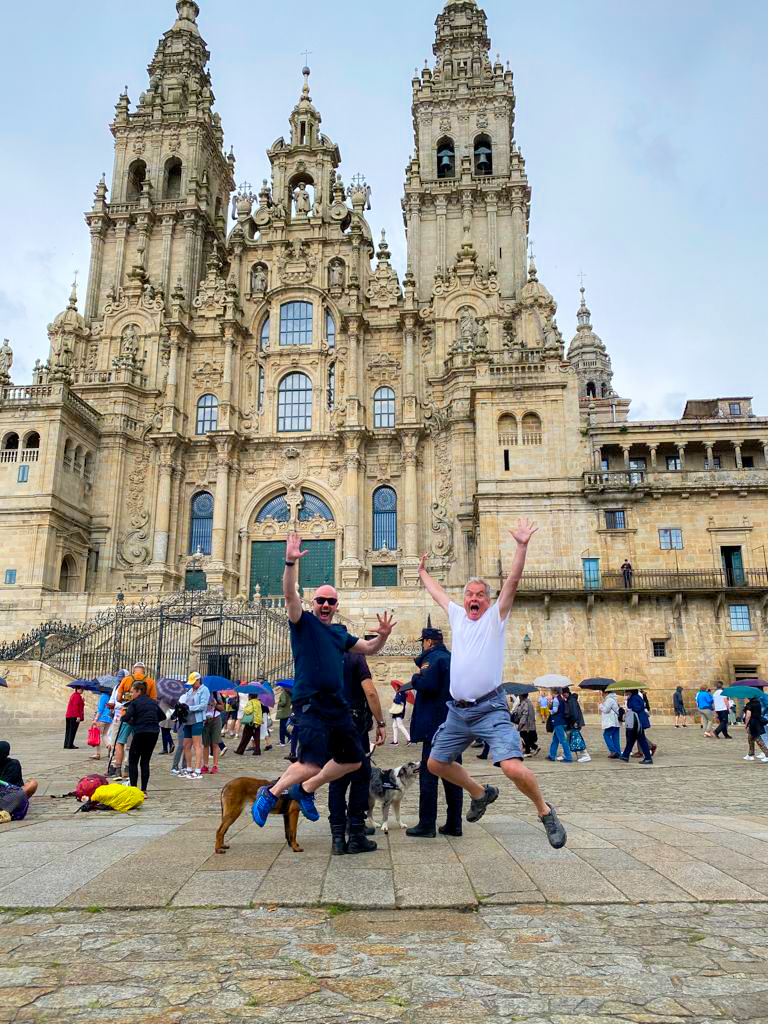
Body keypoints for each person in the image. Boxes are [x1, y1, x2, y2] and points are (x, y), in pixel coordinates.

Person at [418, 518, 567, 849]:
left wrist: (522, 546)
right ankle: (480, 794)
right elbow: (439, 594)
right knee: (434, 763)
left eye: (480, 595)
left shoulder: (495, 618)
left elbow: (512, 582)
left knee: (512, 768)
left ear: (488, 600)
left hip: (489, 707)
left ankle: (545, 812)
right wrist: (423, 572)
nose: (474, 599)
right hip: (457, 712)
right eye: (470, 594)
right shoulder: (457, 616)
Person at [252, 531, 396, 840]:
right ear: (313, 603)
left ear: (336, 604)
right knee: (310, 763)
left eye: (331, 601)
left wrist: (382, 636)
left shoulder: (340, 636)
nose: (326, 604)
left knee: (355, 759)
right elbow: (289, 595)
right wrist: (290, 561)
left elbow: (369, 649)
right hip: (312, 704)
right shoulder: (302, 623)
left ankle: (305, 790)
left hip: (337, 706)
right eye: (321, 600)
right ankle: (272, 792)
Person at [405, 627, 463, 839]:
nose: (423, 645)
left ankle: (427, 823)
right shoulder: (451, 658)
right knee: (454, 776)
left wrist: (415, 676)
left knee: (429, 776)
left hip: (434, 727)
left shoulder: (433, 660)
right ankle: (454, 823)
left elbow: (427, 684)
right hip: (453, 725)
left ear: (429, 642)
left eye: (423, 642)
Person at [328, 650, 386, 854]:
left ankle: (337, 838)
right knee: (361, 776)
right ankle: (356, 835)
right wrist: (380, 722)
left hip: (331, 724)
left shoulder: (324, 656)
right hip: (353, 724)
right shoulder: (355, 657)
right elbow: (370, 692)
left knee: (336, 779)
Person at [109, 663, 157, 778]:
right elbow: (154, 700)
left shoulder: (126, 680)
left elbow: (118, 698)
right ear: (144, 671)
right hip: (141, 716)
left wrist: (128, 697)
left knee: (120, 742)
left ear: (133, 670)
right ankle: (128, 768)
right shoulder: (150, 682)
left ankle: (117, 769)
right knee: (132, 744)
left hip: (126, 713)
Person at [121, 680, 165, 794]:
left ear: (139, 691)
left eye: (132, 692)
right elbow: (162, 716)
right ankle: (144, 790)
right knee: (145, 761)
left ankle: (134, 789)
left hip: (141, 732)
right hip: (153, 732)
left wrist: (123, 716)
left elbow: (126, 718)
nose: (131, 694)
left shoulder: (134, 703)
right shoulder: (152, 702)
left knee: (133, 761)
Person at [179, 672, 210, 778]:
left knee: (197, 745)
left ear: (198, 680)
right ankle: (188, 768)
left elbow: (203, 705)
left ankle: (197, 769)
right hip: (187, 720)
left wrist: (189, 708)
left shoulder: (204, 690)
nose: (192, 685)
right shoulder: (190, 690)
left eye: (193, 683)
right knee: (186, 745)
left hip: (197, 720)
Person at [619, 690, 653, 763]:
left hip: (637, 722)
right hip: (637, 722)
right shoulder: (635, 697)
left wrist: (629, 708)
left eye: (626, 691)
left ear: (630, 691)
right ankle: (625, 755)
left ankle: (648, 758)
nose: (625, 692)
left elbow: (637, 708)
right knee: (631, 739)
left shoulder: (634, 698)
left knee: (641, 740)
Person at [546, 690, 572, 763]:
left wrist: (549, 710)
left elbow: (555, 710)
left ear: (554, 692)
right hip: (562, 721)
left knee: (563, 740)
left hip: (558, 722)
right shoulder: (561, 698)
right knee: (555, 740)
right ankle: (552, 755)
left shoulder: (556, 699)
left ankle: (568, 757)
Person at [202, 692, 226, 773]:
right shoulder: (201, 693)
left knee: (215, 743)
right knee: (205, 744)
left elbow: (222, 708)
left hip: (216, 719)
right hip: (204, 720)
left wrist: (215, 705)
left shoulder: (216, 693)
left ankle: (215, 765)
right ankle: (205, 765)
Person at [564, 689, 590, 763]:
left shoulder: (571, 700)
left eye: (564, 693)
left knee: (577, 739)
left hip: (574, 723)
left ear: (568, 693)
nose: (563, 695)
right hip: (572, 723)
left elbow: (574, 713)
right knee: (569, 739)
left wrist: (575, 722)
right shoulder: (569, 700)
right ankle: (566, 754)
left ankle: (585, 755)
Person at [511, 692, 539, 757]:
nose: (519, 696)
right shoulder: (527, 702)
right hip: (528, 723)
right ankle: (528, 751)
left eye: (519, 695)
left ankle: (535, 747)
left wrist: (521, 723)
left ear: (522, 695)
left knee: (524, 736)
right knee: (526, 737)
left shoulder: (525, 703)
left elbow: (524, 714)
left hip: (525, 724)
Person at [743, 697, 768, 761]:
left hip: (752, 724)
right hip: (757, 722)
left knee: (758, 739)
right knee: (750, 739)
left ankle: (767, 755)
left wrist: (746, 724)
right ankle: (750, 754)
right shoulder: (758, 703)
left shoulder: (749, 704)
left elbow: (748, 716)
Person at [598, 690, 622, 757]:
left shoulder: (609, 700)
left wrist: (600, 705)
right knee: (615, 737)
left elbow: (606, 710)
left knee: (606, 735)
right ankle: (618, 752)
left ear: (606, 693)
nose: (602, 694)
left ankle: (613, 751)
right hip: (615, 722)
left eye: (602, 693)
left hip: (611, 722)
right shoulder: (613, 699)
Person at [90, 689, 113, 759]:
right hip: (109, 718)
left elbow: (100, 709)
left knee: (98, 735)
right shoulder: (111, 696)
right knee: (105, 735)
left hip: (102, 718)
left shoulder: (103, 696)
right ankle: (109, 746)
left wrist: (95, 719)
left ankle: (98, 754)